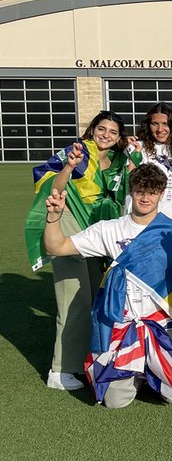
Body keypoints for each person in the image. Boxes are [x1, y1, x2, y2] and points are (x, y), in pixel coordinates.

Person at [42, 164, 172, 408]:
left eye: (152, 192)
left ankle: (163, 363)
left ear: (162, 195)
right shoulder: (110, 229)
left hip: (162, 323)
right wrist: (53, 217)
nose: (145, 197)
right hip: (122, 323)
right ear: (131, 191)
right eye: (140, 190)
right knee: (114, 402)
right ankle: (139, 369)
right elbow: (56, 247)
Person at [26, 110, 131, 391]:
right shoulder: (80, 151)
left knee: (95, 297)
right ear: (92, 128)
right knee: (74, 299)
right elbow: (53, 188)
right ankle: (60, 370)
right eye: (101, 128)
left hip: (99, 232)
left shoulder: (121, 160)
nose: (106, 135)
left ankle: (86, 360)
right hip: (71, 225)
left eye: (113, 132)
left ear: (119, 137)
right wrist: (69, 167)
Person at [127, 102, 172, 219]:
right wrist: (133, 157)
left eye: (165, 124)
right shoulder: (138, 147)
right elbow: (127, 183)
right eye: (155, 124)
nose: (160, 129)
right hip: (144, 219)